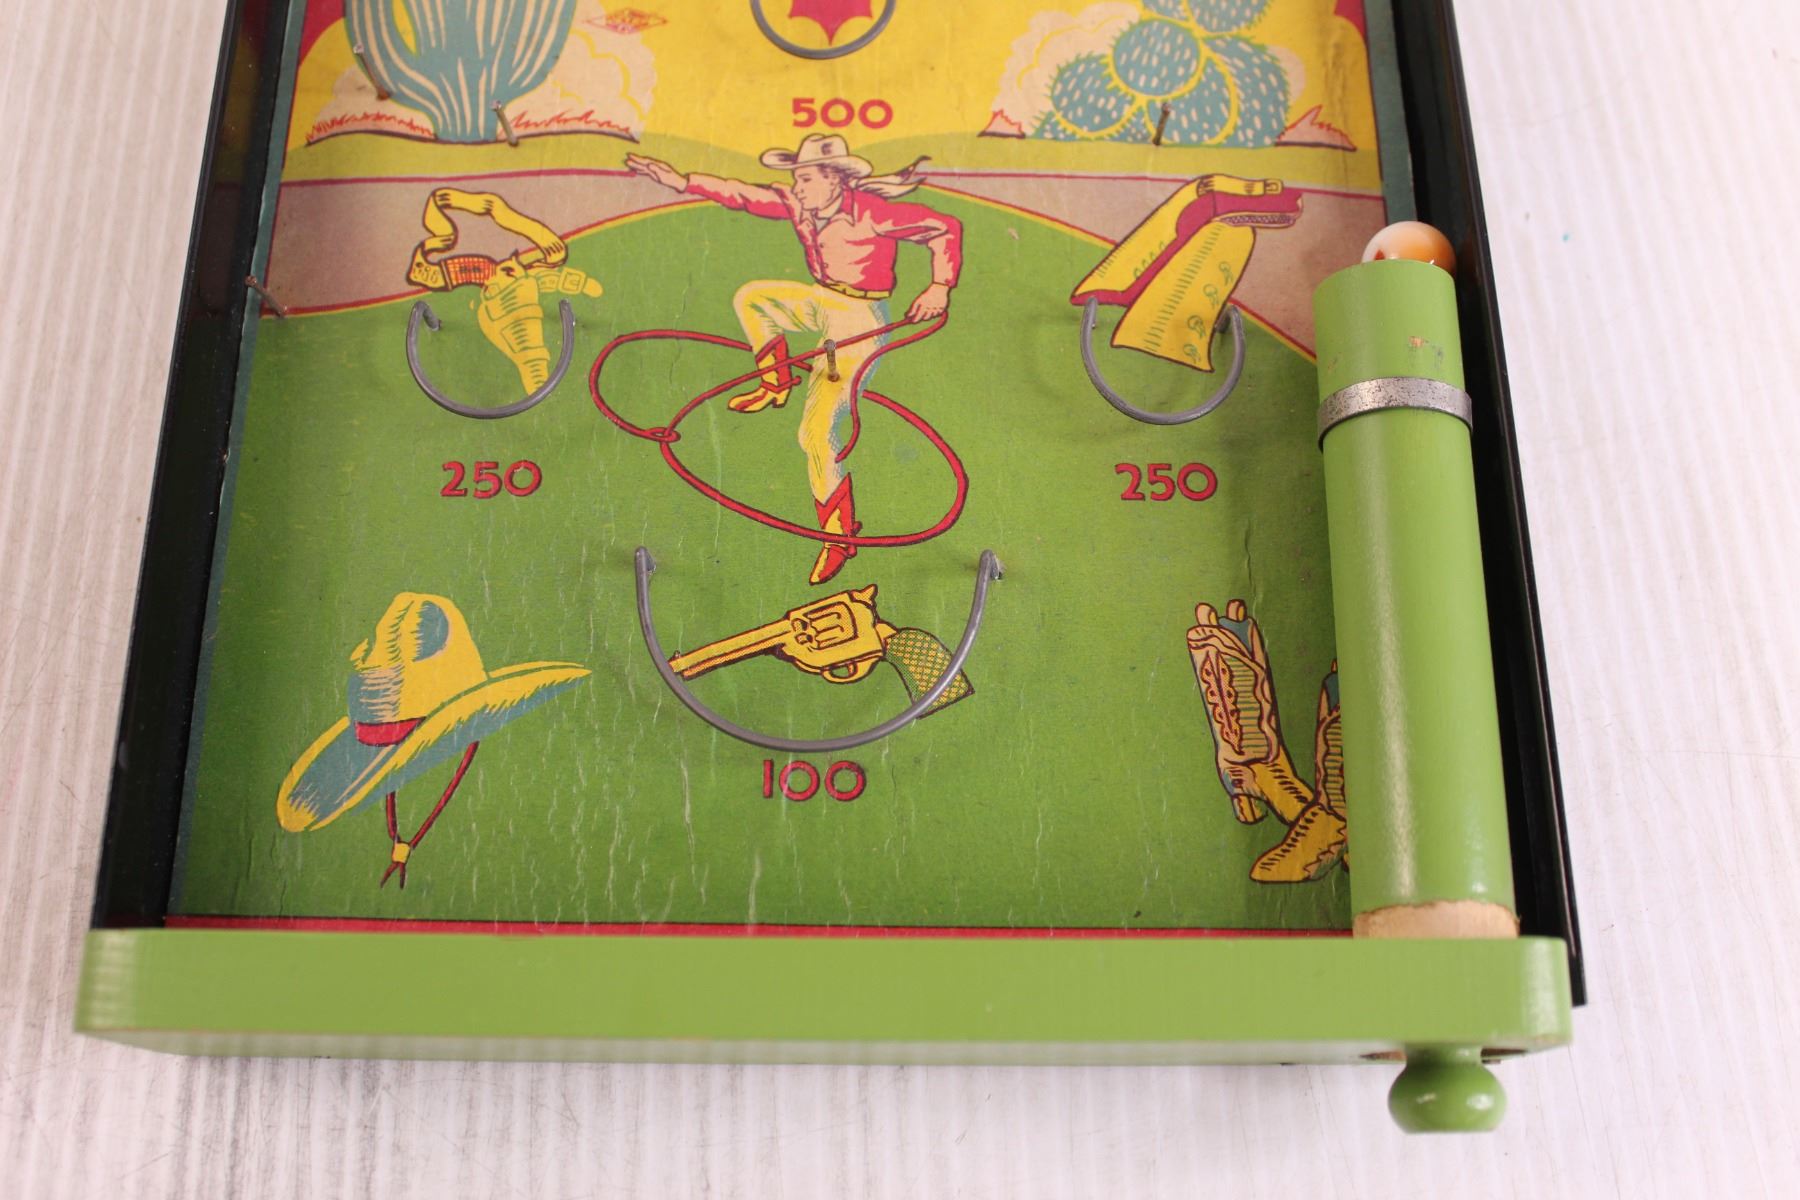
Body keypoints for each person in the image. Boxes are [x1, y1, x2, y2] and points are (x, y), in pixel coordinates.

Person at [626, 135, 963, 585]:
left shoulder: (871, 212)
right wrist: (682, 181)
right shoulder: (801, 204)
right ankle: (776, 383)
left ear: (833, 179)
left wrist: (939, 286)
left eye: (804, 179)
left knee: (816, 433)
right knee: (754, 297)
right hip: (821, 299)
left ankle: (838, 536)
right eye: (796, 179)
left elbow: (944, 227)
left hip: (859, 315)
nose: (797, 187)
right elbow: (743, 194)